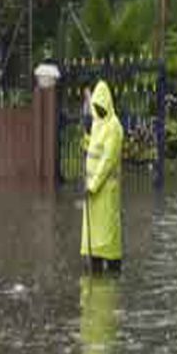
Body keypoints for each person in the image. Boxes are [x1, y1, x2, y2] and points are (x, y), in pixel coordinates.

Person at [81, 80, 123, 273]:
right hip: (92, 192)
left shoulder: (114, 127)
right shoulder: (98, 123)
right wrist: (86, 136)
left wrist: (93, 185)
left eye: (100, 106)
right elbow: (93, 148)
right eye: (95, 106)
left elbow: (107, 160)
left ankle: (113, 275)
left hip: (104, 191)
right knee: (94, 243)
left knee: (108, 238)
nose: (97, 110)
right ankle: (96, 278)